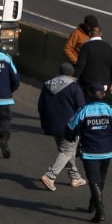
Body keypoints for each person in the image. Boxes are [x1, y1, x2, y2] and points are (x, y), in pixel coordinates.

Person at [66, 83, 112, 223]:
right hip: (107, 152)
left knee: (93, 180)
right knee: (101, 179)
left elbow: (70, 129)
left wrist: (72, 138)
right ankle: (93, 204)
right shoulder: (110, 110)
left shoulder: (83, 111)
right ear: (102, 95)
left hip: (89, 152)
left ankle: (100, 211)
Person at [37, 62, 89, 192]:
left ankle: (75, 177)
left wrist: (44, 122)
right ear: (72, 74)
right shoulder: (75, 88)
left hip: (51, 123)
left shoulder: (47, 85)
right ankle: (50, 176)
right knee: (67, 151)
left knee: (66, 150)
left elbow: (40, 105)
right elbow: (81, 108)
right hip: (69, 125)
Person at [73, 24, 112, 96]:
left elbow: (80, 65)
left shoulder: (86, 46)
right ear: (101, 34)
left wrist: (74, 79)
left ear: (90, 33)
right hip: (103, 85)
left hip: (87, 84)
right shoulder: (108, 47)